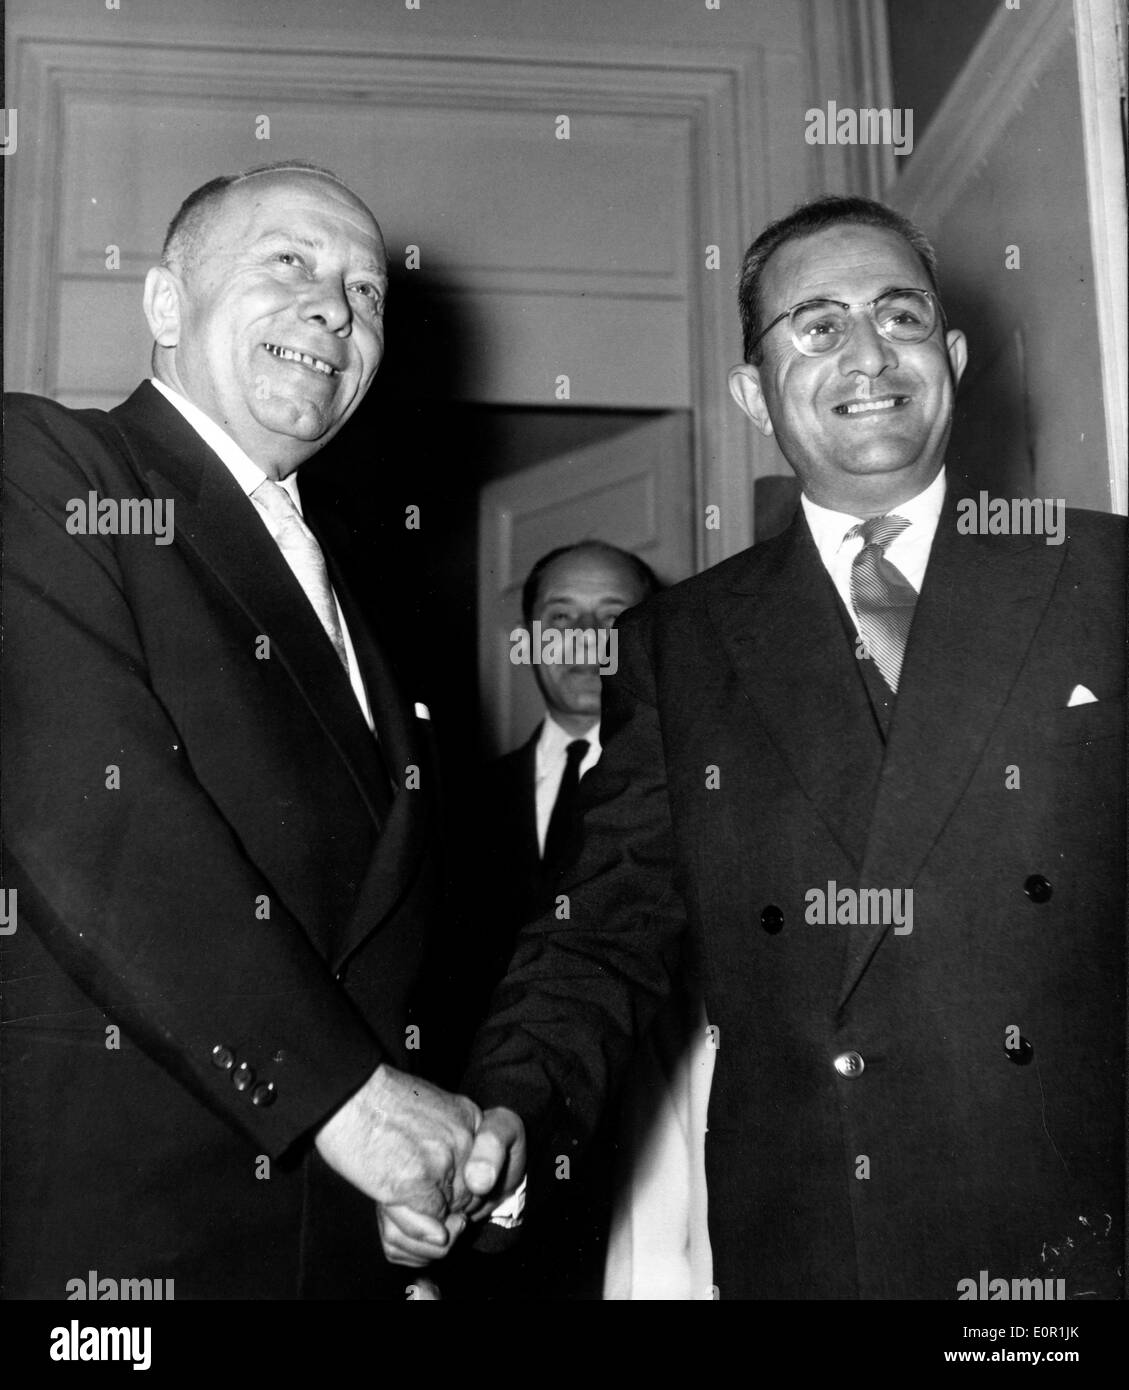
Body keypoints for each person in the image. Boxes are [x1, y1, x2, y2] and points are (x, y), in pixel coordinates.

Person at [389, 194, 1126, 1299]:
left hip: (1074, 1232)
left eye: (902, 316)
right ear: (750, 394)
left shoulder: (1099, 578)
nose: (868, 354)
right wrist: (504, 1111)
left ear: (955, 355)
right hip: (816, 1238)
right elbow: (599, 937)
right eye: (817, 325)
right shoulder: (681, 645)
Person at [0, 160, 519, 1300]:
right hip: (110, 1250)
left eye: (366, 291)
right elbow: (92, 812)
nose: (336, 308)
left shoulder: (372, 611)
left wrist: (433, 1172)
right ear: (167, 305)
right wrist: (349, 1099)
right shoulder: (48, 468)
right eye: (289, 262)